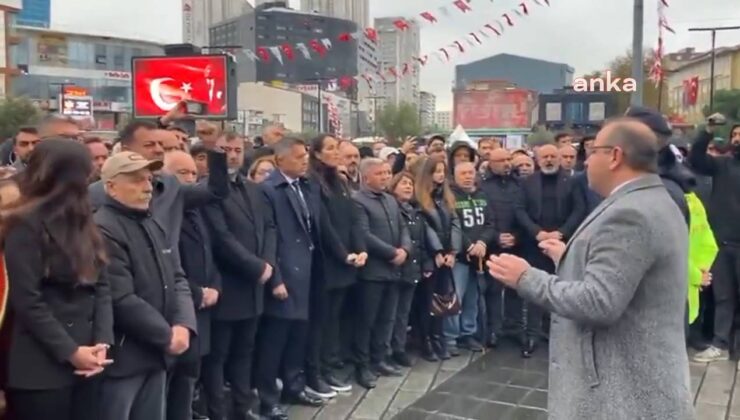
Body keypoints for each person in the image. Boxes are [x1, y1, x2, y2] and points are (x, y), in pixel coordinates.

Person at [488, 118, 694, 420]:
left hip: (623, 394)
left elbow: (599, 302)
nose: (585, 159)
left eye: (593, 150)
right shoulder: (652, 198)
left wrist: (526, 278)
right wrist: (569, 257)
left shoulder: (630, 213)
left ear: (615, 156)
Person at [3, 139, 112, 420]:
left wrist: (101, 341)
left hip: (89, 361)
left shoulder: (84, 220)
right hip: (41, 366)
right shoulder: (25, 225)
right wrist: (70, 351)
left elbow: (101, 286)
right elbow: (27, 299)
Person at [200, 133, 276, 420]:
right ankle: (218, 412)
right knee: (218, 356)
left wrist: (267, 262)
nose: (232, 155)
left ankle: (242, 408)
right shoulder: (208, 190)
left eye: (237, 150)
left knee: (245, 351)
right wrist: (255, 267)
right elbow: (220, 237)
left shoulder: (254, 189)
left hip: (255, 285)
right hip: (227, 283)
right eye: (225, 150)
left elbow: (269, 226)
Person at [257, 138, 325, 420]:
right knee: (275, 341)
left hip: (308, 272)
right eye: (298, 157)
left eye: (305, 155)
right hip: (285, 274)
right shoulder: (268, 190)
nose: (304, 161)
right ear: (280, 160)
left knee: (299, 335)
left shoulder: (305, 186)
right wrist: (276, 279)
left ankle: (294, 386)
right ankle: (268, 397)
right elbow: (268, 237)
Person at [162, 151, 222, 420]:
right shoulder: (161, 213)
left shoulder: (198, 211)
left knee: (190, 377)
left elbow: (211, 255)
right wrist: (198, 293)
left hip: (202, 310)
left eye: (192, 174)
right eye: (180, 173)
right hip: (176, 310)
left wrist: (215, 288)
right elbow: (170, 268)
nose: (188, 180)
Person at [307, 134, 366, 396]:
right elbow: (323, 225)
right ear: (317, 154)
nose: (335, 153)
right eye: (329, 149)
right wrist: (343, 254)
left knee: (334, 320)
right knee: (320, 321)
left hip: (347, 261)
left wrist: (361, 249)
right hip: (326, 262)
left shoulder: (340, 182)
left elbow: (353, 219)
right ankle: (315, 371)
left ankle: (329, 366)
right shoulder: (313, 183)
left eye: (336, 148)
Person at [514, 143, 585, 357]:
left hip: (562, 245)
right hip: (535, 244)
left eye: (553, 156)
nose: (549, 160)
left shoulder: (571, 182)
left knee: (561, 288)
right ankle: (532, 335)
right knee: (535, 289)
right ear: (537, 159)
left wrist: (561, 233)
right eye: (545, 156)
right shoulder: (527, 182)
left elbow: (579, 209)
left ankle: (556, 335)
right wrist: (537, 233)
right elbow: (519, 210)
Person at [352, 158, 411, 388]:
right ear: (366, 177)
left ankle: (380, 358)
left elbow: (403, 227)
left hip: (394, 270)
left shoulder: (389, 200)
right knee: (366, 321)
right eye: (381, 173)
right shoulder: (358, 201)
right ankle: (362, 365)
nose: (386, 177)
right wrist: (391, 252)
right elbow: (364, 234)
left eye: (388, 172)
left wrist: (405, 249)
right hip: (372, 271)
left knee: (387, 318)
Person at [688, 116, 740, 363]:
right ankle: (720, 344)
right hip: (723, 243)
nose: (737, 139)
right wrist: (707, 130)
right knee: (723, 296)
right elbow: (696, 159)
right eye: (734, 135)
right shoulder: (723, 165)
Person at [389, 172, 440, 365]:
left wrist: (427, 263)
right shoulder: (393, 210)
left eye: (410, 183)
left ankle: (399, 348)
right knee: (391, 314)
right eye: (403, 183)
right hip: (396, 267)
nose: (408, 187)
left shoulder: (416, 212)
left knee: (403, 312)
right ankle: (387, 350)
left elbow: (421, 242)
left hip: (414, 268)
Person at [445, 162, 496, 354]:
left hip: (479, 256)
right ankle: (450, 337)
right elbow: (453, 225)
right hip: (460, 256)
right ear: (455, 176)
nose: (467, 176)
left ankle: (468, 333)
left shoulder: (482, 196)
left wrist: (482, 243)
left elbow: (491, 223)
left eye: (470, 172)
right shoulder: (450, 197)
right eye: (463, 173)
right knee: (455, 297)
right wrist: (468, 245)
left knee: (472, 298)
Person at [415, 157, 460, 359]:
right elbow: (425, 227)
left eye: (443, 171)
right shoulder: (420, 198)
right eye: (436, 171)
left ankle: (438, 337)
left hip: (446, 256)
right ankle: (426, 340)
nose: (440, 175)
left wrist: (452, 251)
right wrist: (438, 252)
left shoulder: (447, 198)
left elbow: (455, 224)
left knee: (442, 299)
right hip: (431, 256)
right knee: (427, 301)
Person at [479, 148, 524, 347]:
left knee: (517, 287)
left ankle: (514, 327)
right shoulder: (482, 186)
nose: (507, 163)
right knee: (494, 289)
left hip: (517, 243)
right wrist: (496, 236)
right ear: (490, 163)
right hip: (492, 244)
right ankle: (494, 329)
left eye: (509, 159)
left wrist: (517, 236)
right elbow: (482, 217)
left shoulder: (520, 185)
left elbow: (527, 214)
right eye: (501, 160)